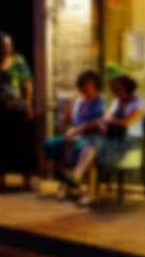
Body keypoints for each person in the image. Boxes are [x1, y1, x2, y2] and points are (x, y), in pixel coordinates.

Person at [75, 76, 145, 206]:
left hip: (129, 140)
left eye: (118, 89)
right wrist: (103, 124)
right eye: (114, 89)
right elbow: (106, 118)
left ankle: (78, 179)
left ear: (128, 89)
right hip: (114, 136)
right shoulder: (116, 102)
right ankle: (85, 187)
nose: (115, 92)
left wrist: (108, 121)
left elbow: (127, 123)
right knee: (92, 141)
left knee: (93, 151)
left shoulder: (139, 102)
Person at [0, 32, 35, 191]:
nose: (7, 47)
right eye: (4, 44)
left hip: (15, 107)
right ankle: (2, 180)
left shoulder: (19, 61)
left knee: (22, 143)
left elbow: (28, 83)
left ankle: (26, 180)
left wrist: (28, 105)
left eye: (9, 44)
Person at [40, 71, 106, 199]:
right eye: (84, 83)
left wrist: (77, 131)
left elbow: (96, 123)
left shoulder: (98, 101)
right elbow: (66, 120)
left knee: (80, 148)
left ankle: (83, 188)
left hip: (89, 134)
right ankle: (65, 183)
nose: (87, 86)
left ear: (96, 86)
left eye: (90, 84)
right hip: (73, 132)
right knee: (52, 144)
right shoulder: (79, 99)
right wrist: (72, 102)